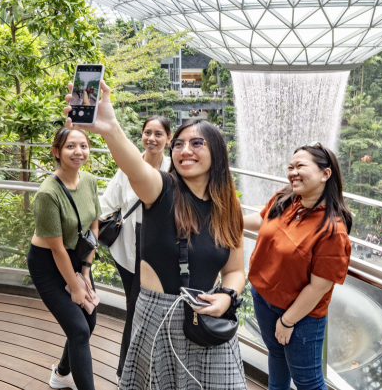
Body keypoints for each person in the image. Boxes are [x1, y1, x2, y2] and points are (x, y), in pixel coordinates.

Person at [64, 82, 247, 389]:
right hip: (158, 316)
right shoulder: (162, 190)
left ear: (217, 152)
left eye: (197, 144)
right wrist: (109, 127)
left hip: (207, 317)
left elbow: (234, 270)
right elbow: (134, 167)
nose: (185, 150)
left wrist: (225, 297)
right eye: (178, 144)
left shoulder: (228, 207)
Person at [245, 142, 352, 390]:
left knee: (309, 383)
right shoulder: (287, 197)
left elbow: (318, 288)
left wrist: (287, 321)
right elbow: (263, 220)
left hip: (301, 316)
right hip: (263, 298)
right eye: (290, 166)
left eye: (300, 166)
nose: (292, 172)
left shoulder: (332, 230)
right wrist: (229, 221)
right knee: (276, 355)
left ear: (326, 174)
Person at [27, 127, 102, 390]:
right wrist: (75, 288)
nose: (78, 152)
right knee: (79, 330)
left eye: (83, 145)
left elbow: (94, 226)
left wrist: (86, 269)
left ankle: (61, 374)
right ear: (56, 152)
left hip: (78, 257)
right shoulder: (48, 193)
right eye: (71, 146)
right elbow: (57, 249)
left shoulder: (90, 181)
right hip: (48, 264)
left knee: (89, 321)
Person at [99, 115, 172, 379]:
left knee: (145, 308)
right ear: (141, 135)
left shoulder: (175, 169)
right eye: (147, 133)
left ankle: (133, 370)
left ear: (168, 138)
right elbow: (107, 204)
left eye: (158, 134)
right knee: (134, 307)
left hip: (160, 248)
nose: (151, 139)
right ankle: (126, 371)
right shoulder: (128, 167)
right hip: (129, 246)